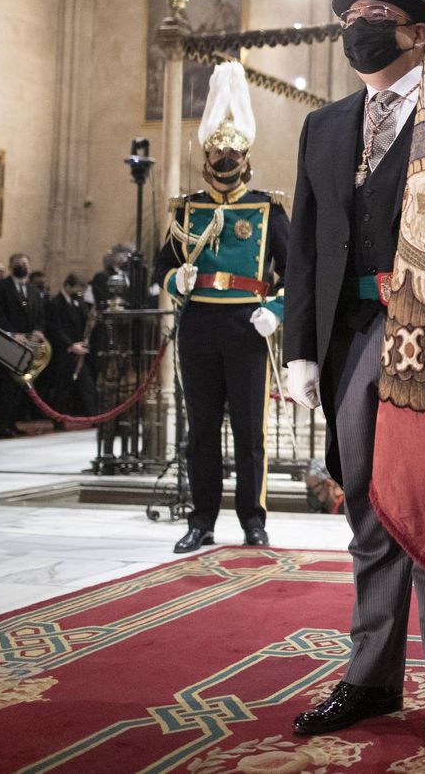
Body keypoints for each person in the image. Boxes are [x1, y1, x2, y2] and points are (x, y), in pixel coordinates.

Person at [285, 0, 425, 757]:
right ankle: (370, 674)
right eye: (349, 16)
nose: (358, 29)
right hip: (348, 335)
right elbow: (303, 248)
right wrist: (298, 351)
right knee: (366, 507)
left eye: (374, 15)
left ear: (418, 31)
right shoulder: (323, 125)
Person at [155, 60, 287, 555]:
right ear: (207, 154)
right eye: (218, 149)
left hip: (247, 326)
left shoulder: (267, 209)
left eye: (233, 150)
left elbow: (296, 274)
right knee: (201, 430)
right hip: (199, 326)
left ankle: (253, 520)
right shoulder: (186, 209)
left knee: (250, 432)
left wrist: (275, 309)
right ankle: (201, 521)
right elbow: (159, 268)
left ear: (245, 154)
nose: (225, 156)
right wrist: (176, 278)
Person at [0, 252, 45, 437]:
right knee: (4, 387)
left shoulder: (34, 290)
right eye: (18, 263)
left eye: (25, 263)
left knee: (20, 387)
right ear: (11, 266)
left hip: (28, 345)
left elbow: (40, 315)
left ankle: (12, 423)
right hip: (7, 343)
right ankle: (0, 426)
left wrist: (38, 330)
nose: (22, 266)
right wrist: (12, 334)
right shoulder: (0, 287)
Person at [44, 273, 98, 421]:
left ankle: (93, 417)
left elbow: (84, 323)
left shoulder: (79, 302)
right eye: (77, 289)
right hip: (63, 351)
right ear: (68, 286)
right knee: (61, 387)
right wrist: (70, 345)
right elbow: (55, 329)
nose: (79, 294)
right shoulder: (54, 304)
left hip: (80, 349)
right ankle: (58, 420)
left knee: (87, 385)